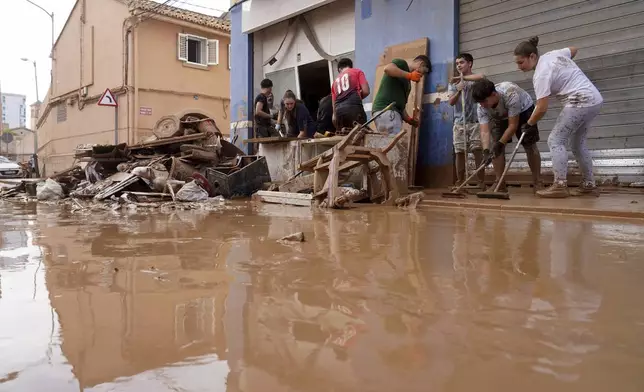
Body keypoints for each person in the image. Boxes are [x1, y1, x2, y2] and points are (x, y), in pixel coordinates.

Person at [515, 36, 603, 198]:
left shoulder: (541, 74)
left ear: (532, 56)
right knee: (577, 143)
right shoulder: (553, 54)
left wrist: (529, 123)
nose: (519, 67)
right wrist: (564, 68)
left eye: (521, 62)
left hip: (579, 101)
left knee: (555, 140)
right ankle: (589, 185)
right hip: (594, 99)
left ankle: (560, 185)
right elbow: (573, 49)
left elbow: (541, 108)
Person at [472, 79, 542, 193]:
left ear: (494, 95)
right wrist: (486, 150)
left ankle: (537, 181)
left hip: (523, 110)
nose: (482, 105)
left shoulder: (511, 94)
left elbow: (513, 126)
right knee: (495, 149)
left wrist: (501, 143)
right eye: (480, 102)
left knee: (529, 144)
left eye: (484, 101)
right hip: (499, 116)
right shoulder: (482, 106)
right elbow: (484, 131)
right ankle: (499, 183)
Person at [448, 53, 486, 189]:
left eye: (462, 62)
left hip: (475, 121)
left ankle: (481, 182)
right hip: (459, 123)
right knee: (459, 152)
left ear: (470, 63)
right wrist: (458, 90)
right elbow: (451, 102)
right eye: (457, 63)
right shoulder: (453, 84)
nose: (459, 65)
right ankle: (460, 181)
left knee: (477, 151)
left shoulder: (475, 80)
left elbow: (482, 76)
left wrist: (461, 78)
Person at [371, 55, 431, 134]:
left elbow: (401, 106)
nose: (422, 75)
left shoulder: (407, 83)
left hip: (385, 112)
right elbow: (388, 69)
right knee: (394, 144)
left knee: (387, 143)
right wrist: (410, 75)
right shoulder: (401, 64)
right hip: (387, 110)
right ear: (421, 64)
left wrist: (409, 120)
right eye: (424, 71)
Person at [332, 58, 370, 129]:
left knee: (345, 137)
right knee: (360, 136)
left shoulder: (334, 82)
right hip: (354, 109)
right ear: (350, 66)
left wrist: (335, 116)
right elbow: (366, 91)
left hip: (339, 113)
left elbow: (334, 104)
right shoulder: (357, 72)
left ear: (340, 69)